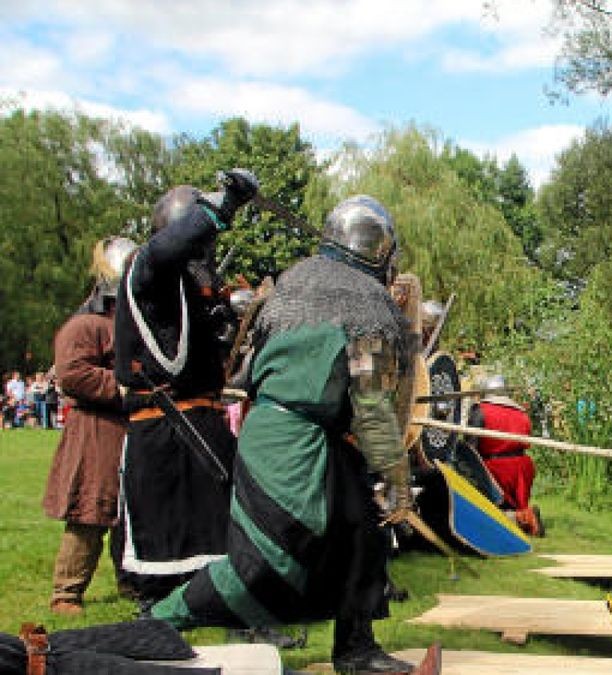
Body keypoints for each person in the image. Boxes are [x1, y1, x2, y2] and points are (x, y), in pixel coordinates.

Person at [151, 195, 423, 674]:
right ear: (380, 250)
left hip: (290, 431)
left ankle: (357, 647)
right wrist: (397, 477)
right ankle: (158, 622)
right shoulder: (371, 309)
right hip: (291, 445)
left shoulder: (294, 286)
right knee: (264, 559)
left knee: (359, 530)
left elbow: (254, 370)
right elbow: (374, 408)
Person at [113, 170, 258, 610]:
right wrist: (226, 203)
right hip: (163, 426)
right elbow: (168, 249)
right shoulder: (148, 267)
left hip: (201, 422)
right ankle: (157, 612)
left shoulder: (189, 289)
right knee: (163, 532)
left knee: (222, 526)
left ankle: (234, 612)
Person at [42, 236, 139, 615]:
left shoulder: (125, 323)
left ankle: (131, 581)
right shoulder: (85, 325)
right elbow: (73, 374)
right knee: (90, 512)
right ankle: (66, 592)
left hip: (127, 428)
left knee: (128, 513)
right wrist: (121, 386)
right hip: (96, 429)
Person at [469, 373, 542, 537]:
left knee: (489, 510)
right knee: (514, 505)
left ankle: (523, 518)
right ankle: (524, 514)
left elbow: (470, 449)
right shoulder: (522, 413)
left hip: (497, 469)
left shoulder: (480, 410)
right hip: (523, 467)